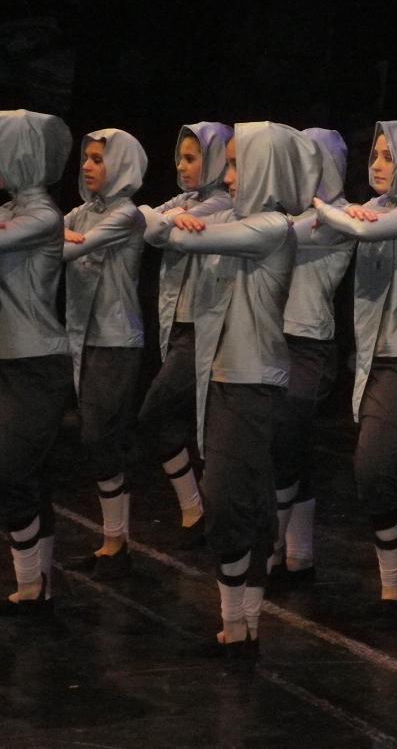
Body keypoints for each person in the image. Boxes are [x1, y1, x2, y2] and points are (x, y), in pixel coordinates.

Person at [143, 121, 319, 666]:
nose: (228, 172)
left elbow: (172, 235)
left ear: (266, 168)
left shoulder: (271, 226)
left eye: (240, 163)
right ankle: (235, 626)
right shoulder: (235, 217)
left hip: (253, 382)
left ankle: (246, 622)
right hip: (220, 378)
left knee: (230, 498)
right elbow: (157, 232)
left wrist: (169, 221)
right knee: (231, 502)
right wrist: (167, 219)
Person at [313, 120, 397, 621]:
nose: (377, 164)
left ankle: (395, 584)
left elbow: (363, 227)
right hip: (374, 361)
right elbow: (335, 228)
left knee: (373, 467)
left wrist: (322, 205)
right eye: (375, 154)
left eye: (390, 156)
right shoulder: (372, 207)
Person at [138, 122, 233, 548]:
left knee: (156, 414)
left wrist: (164, 220)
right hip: (178, 328)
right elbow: (144, 219)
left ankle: (202, 510)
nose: (181, 165)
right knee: (171, 421)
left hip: (203, 330)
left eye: (191, 158)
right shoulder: (188, 201)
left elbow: (158, 230)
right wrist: (166, 217)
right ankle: (195, 512)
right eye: (180, 156)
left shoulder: (221, 203)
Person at [268, 127, 355, 586]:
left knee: (284, 445)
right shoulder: (295, 213)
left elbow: (277, 238)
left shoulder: (335, 217)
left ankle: (270, 549)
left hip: (308, 346)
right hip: (276, 340)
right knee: (293, 450)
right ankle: (299, 555)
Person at [63, 128, 147, 578]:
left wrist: (47, 237)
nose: (87, 166)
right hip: (86, 338)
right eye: (87, 158)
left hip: (116, 339)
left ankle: (117, 541)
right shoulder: (83, 212)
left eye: (98, 159)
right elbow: (54, 232)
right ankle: (115, 544)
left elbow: (67, 246)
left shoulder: (126, 215)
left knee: (99, 436)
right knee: (96, 438)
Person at [0, 110, 73, 613]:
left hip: (37, 363)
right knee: (27, 474)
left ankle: (32, 584)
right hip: (11, 360)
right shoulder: (12, 210)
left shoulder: (43, 216)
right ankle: (35, 585)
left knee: (11, 470)